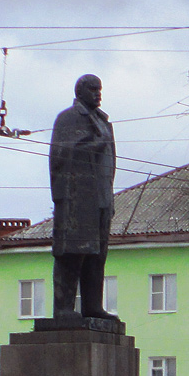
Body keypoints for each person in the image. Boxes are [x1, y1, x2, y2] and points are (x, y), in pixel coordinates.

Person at [49, 74, 117, 322]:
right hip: (75, 198)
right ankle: (63, 309)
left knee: (97, 256)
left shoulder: (103, 121)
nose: (98, 94)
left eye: (100, 89)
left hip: (100, 198)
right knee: (72, 252)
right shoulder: (68, 118)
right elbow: (60, 155)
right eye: (92, 89)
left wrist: (108, 198)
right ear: (80, 92)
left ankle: (93, 306)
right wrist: (93, 146)